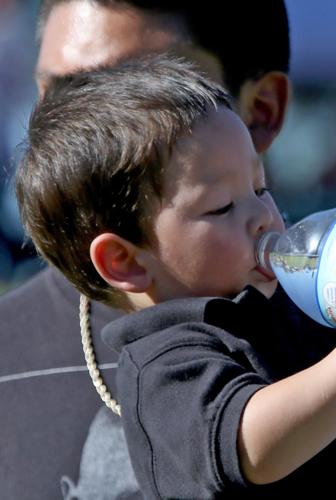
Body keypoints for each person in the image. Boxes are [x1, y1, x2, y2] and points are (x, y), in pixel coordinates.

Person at [16, 55, 336, 498]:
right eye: (221, 207)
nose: (263, 216)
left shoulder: (289, 308)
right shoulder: (166, 365)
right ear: (126, 261)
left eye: (261, 188)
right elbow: (256, 446)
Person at [0, 2, 293, 497]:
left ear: (261, 110)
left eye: (136, 86)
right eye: (56, 93)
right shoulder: (9, 351)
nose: (80, 123)